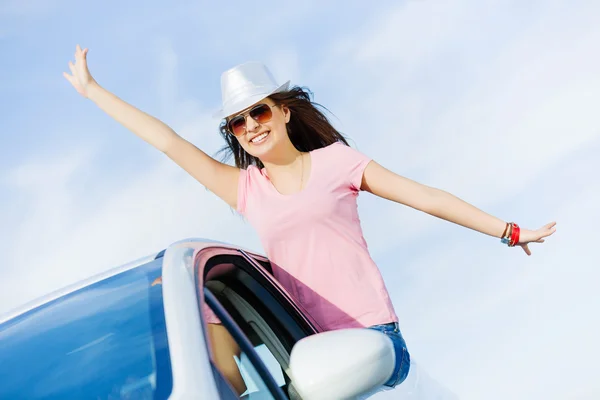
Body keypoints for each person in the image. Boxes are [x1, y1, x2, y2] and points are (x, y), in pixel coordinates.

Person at [63, 45, 556, 393]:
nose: (250, 126)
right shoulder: (246, 189)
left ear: (282, 112)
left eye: (258, 112)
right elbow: (169, 141)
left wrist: (509, 232)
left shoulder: (338, 162)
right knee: (208, 310)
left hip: (371, 342)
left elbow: (425, 197)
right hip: (307, 348)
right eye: (238, 121)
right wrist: (93, 91)